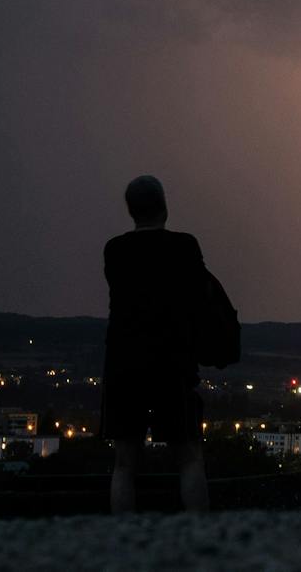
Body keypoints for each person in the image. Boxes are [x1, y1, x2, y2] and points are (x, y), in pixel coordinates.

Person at [100, 175, 210, 512]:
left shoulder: (114, 250)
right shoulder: (185, 247)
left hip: (124, 366)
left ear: (131, 210)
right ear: (164, 205)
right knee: (190, 458)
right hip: (173, 364)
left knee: (124, 465)